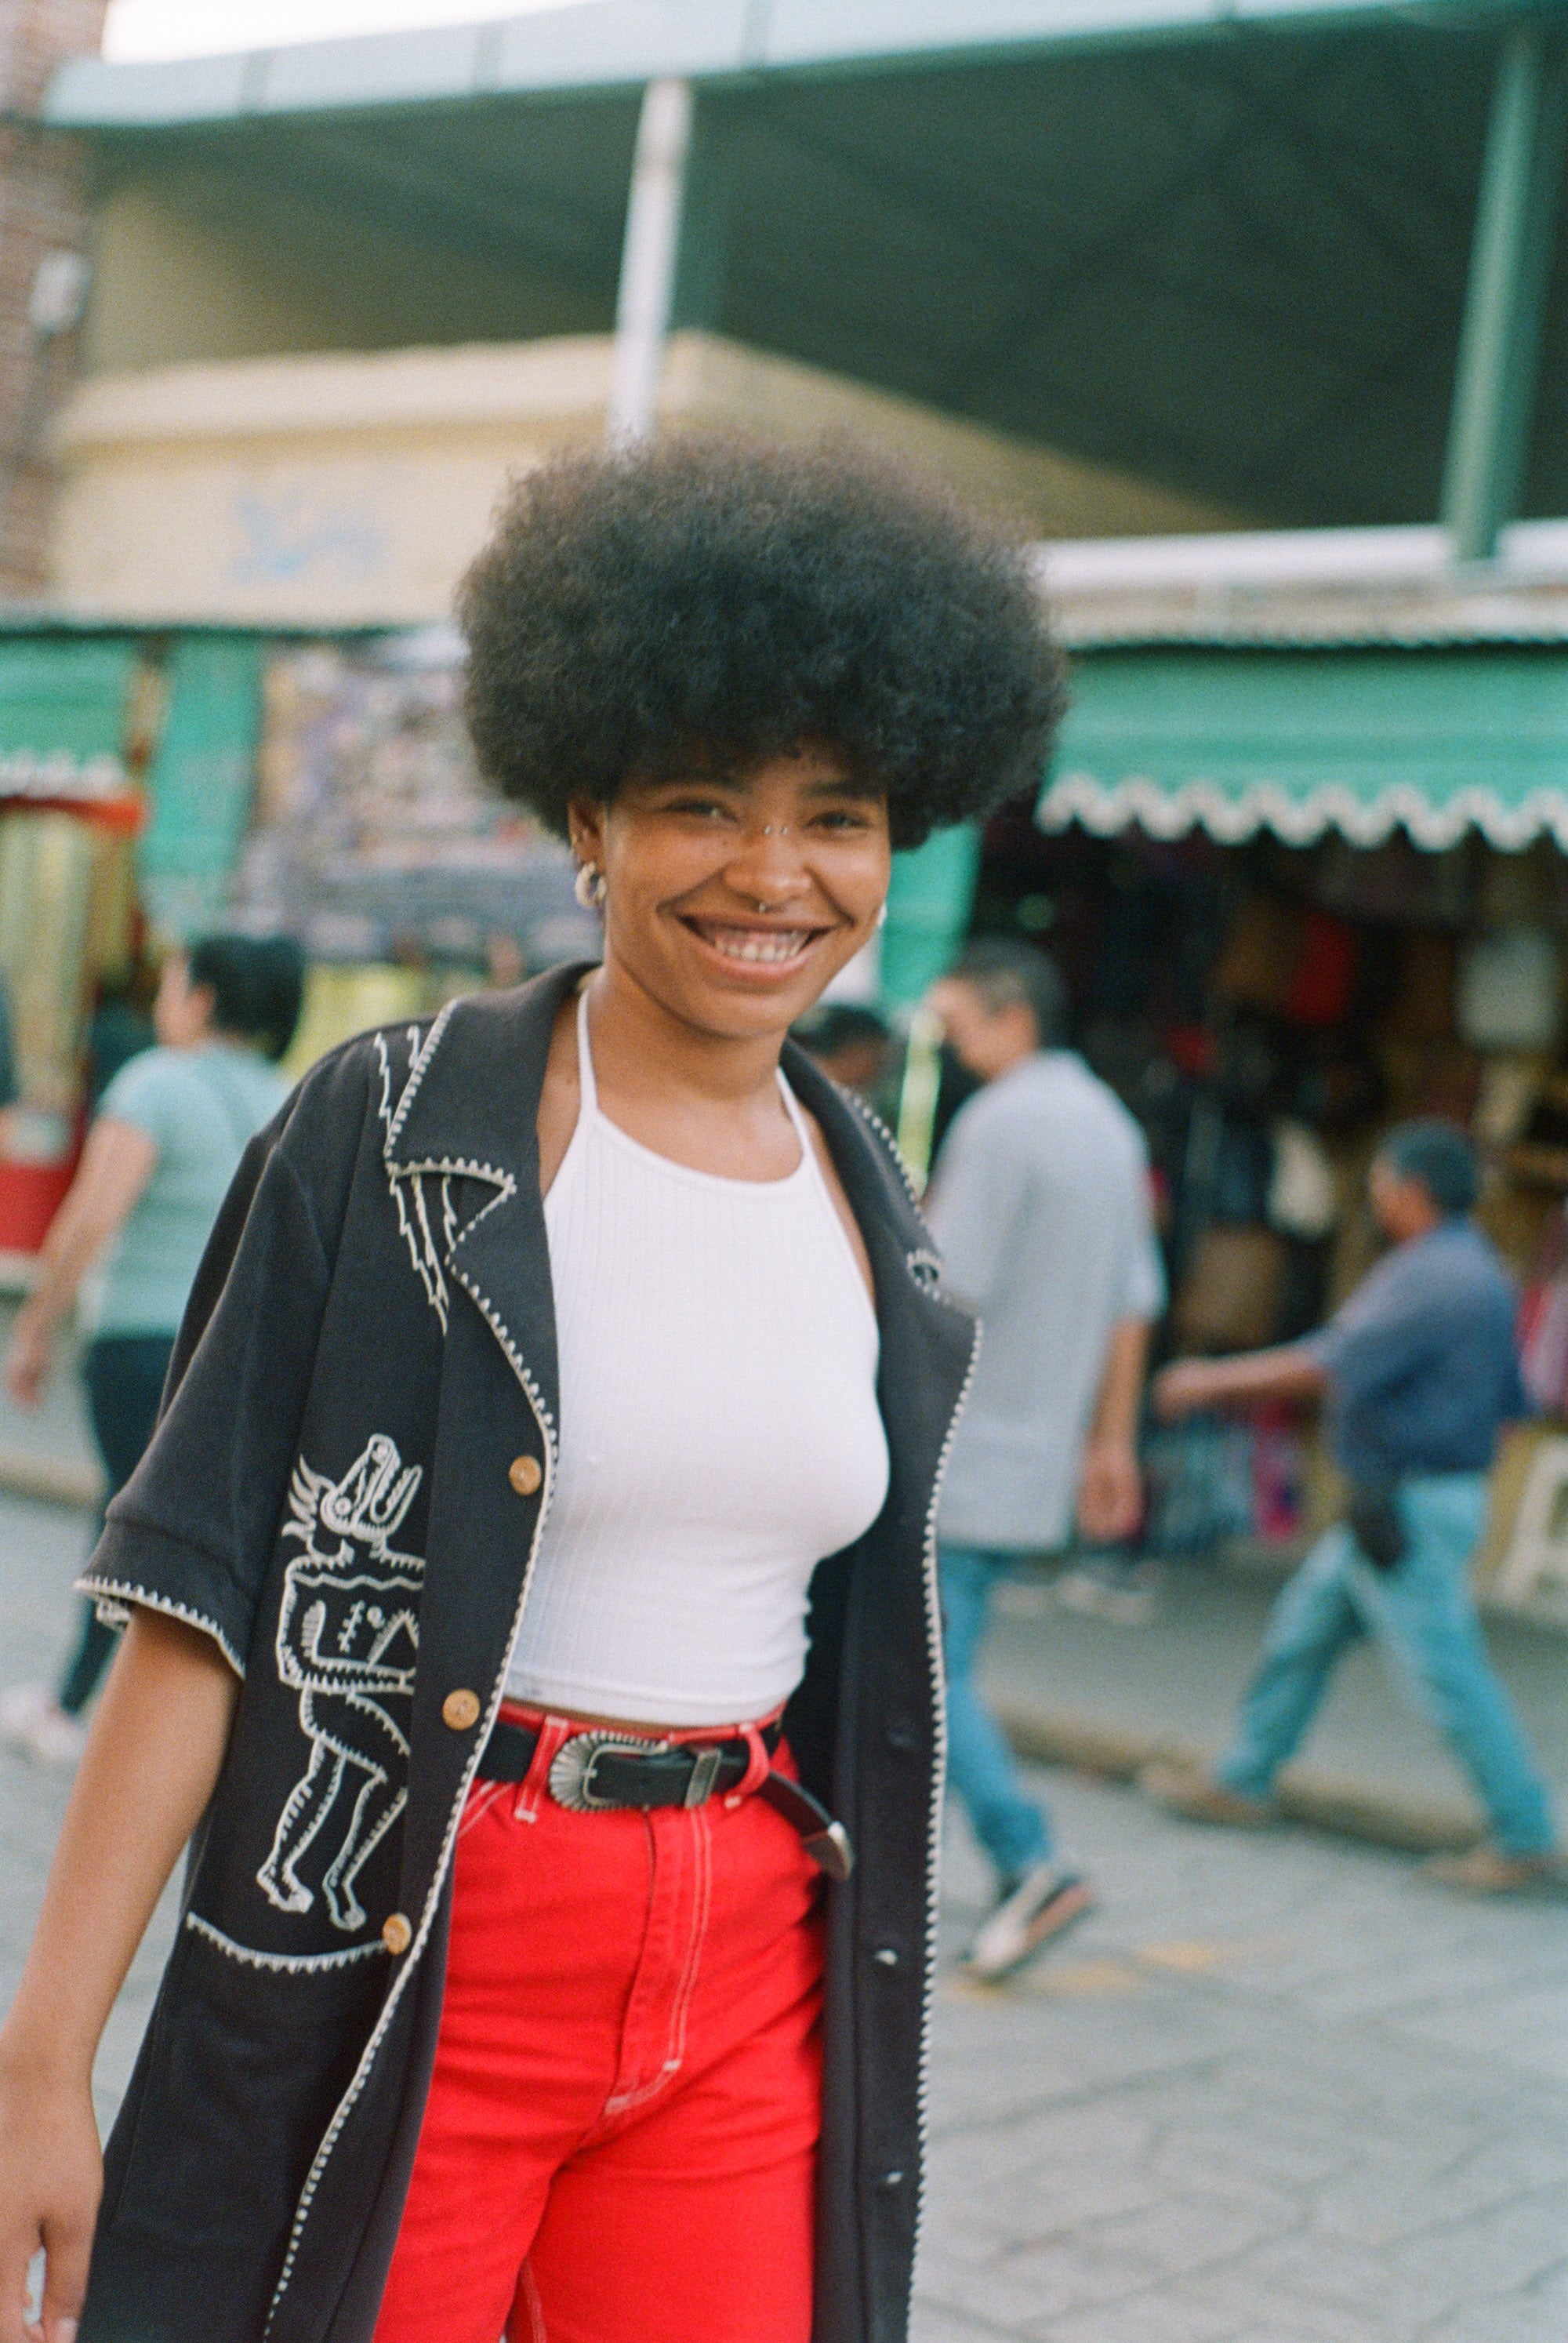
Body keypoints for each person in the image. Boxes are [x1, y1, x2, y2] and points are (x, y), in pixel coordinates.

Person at [0, 439, 1064, 2343]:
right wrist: (39, 2065)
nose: (773, 875)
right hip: (419, 1939)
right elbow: (194, 1603)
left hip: (743, 1957)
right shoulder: (393, 1130)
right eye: (701, 803)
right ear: (588, 811)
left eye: (835, 817)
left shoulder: (873, 1203)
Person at [1145, 1118, 1563, 1894]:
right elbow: (1509, 1406)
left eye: (1380, 1183)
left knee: (1446, 1674)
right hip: (1402, 1501)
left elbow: (1328, 1364)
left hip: (1406, 1507)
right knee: (1301, 1635)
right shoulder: (1478, 1269)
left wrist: (1205, 1381)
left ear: (1409, 1189)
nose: (1376, 1198)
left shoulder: (1431, 1274)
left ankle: (1524, 1832)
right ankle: (1242, 1777)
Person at [0, 935, 303, 1764]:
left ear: (200, 999)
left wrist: (36, 1327)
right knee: (179, 1530)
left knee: (130, 1525)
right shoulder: (289, 1098)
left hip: (137, 1343)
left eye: (173, 985)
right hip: (234, 1354)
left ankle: (73, 1710)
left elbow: (93, 1215)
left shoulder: (156, 1083)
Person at [924, 939, 1165, 1981]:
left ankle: (1030, 1859)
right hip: (1032, 1450)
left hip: (957, 1441)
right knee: (938, 1665)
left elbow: (942, 1283)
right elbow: (1132, 1304)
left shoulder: (1000, 1123)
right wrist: (1111, 1443)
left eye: (956, 1023)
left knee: (927, 1676)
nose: (948, 1045)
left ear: (1009, 1012)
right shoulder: (1110, 1125)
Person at [791, 1000, 891, 1100]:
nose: (878, 1069)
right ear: (857, 1050)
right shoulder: (807, 1086)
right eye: (877, 1057)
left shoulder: (840, 1094)